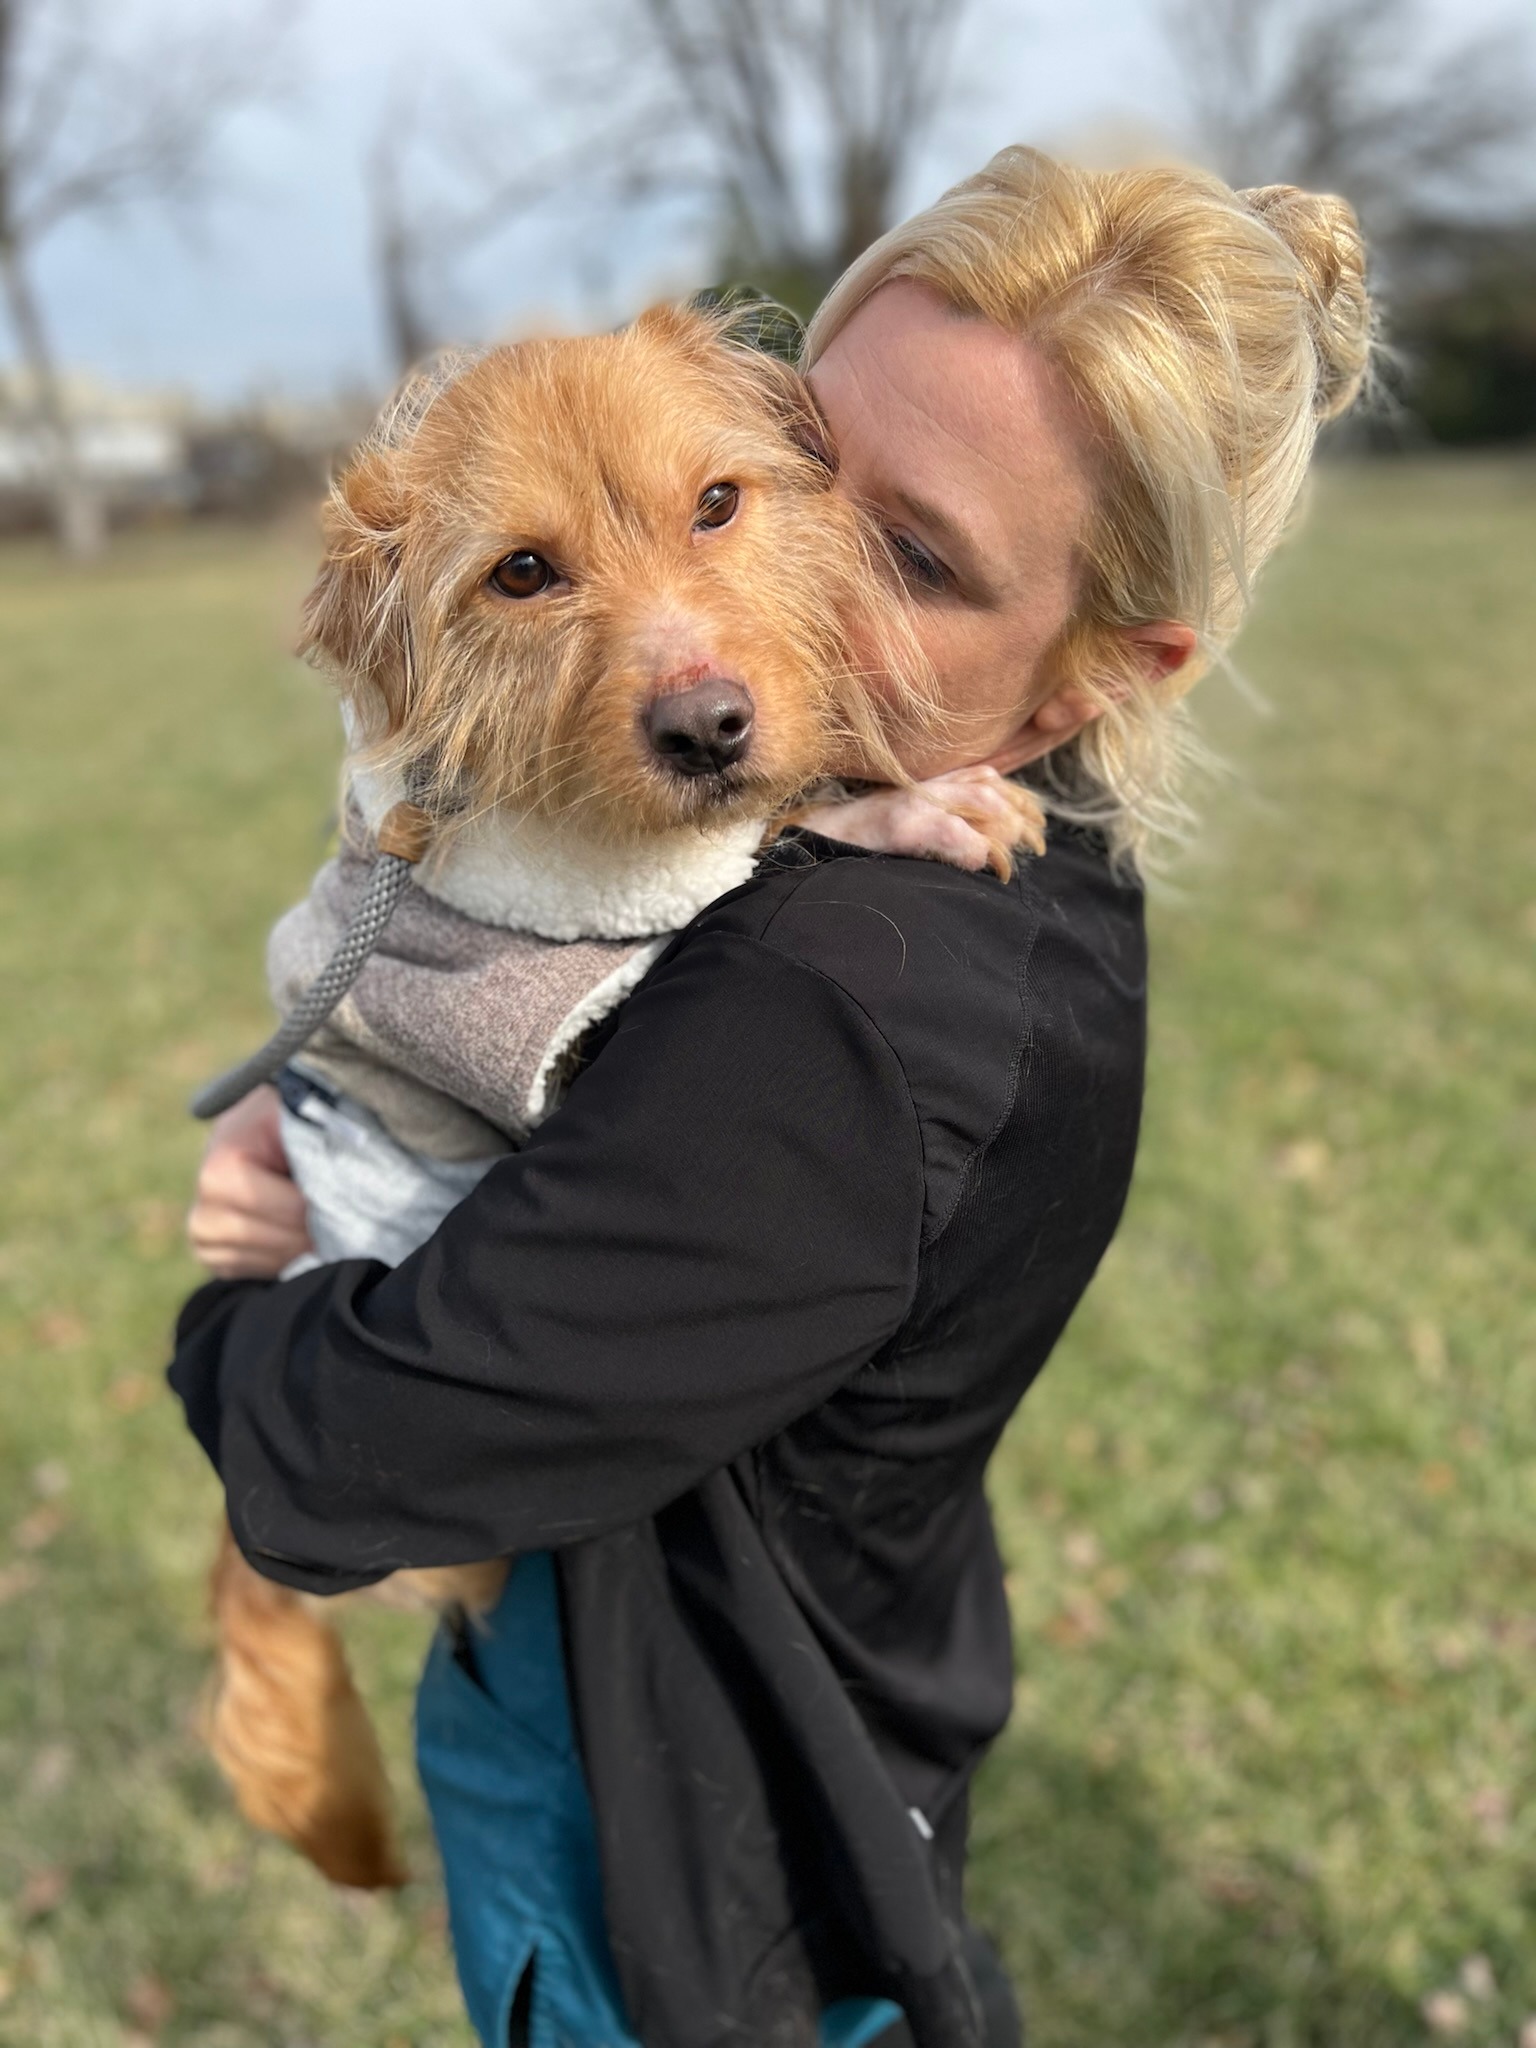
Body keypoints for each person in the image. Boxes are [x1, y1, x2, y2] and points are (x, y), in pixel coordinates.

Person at [172, 147, 1374, 2048]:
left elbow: (333, 1467)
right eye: (797, 469)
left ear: (1091, 677)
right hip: (866, 1703)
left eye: (918, 561)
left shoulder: (837, 1008)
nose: (736, 637)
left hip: (681, 1838)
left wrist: (229, 1318)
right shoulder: (1042, 854)